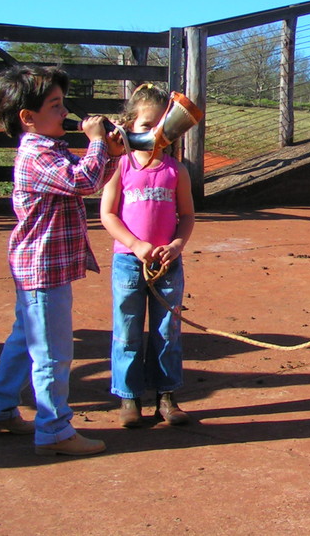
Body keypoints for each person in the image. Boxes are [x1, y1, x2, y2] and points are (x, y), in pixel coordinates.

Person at [0, 64, 124, 456]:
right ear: (28, 118)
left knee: (24, 339)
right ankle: (55, 431)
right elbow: (83, 182)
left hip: (40, 265)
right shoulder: (37, 156)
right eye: (55, 105)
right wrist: (96, 143)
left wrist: (108, 154)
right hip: (42, 270)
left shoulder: (49, 151)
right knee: (53, 354)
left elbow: (82, 179)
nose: (65, 112)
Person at [100, 84, 195, 428]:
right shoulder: (119, 166)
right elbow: (108, 214)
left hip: (167, 264)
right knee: (127, 330)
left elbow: (186, 216)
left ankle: (167, 395)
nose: (154, 135)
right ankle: (128, 398)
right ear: (127, 128)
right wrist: (136, 244)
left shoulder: (176, 171)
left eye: (162, 128)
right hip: (129, 261)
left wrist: (175, 246)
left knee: (166, 330)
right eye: (145, 126)